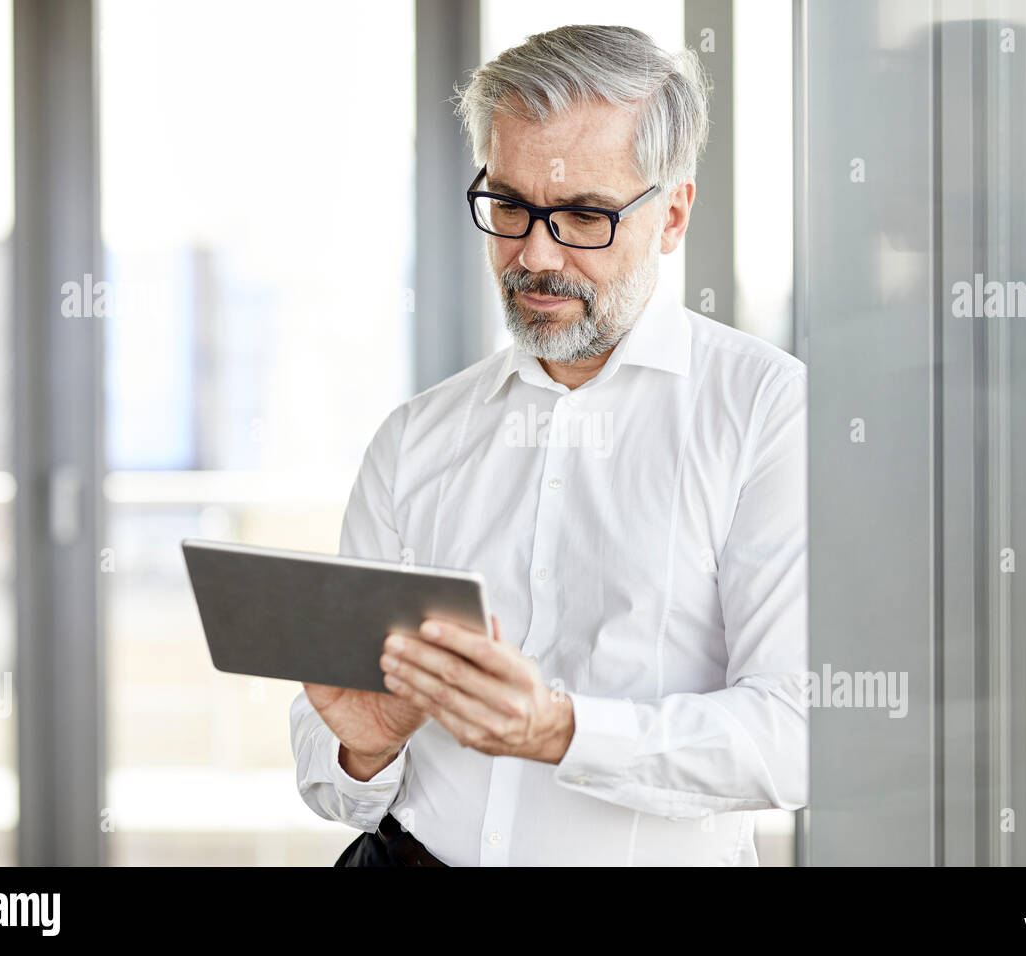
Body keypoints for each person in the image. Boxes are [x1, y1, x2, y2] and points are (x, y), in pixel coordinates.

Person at [290, 23, 807, 866]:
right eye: (509, 206)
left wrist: (563, 732)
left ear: (671, 213)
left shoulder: (766, 414)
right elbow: (335, 768)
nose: (534, 254)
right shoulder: (414, 439)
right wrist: (366, 747)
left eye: (583, 216)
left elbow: (794, 732)